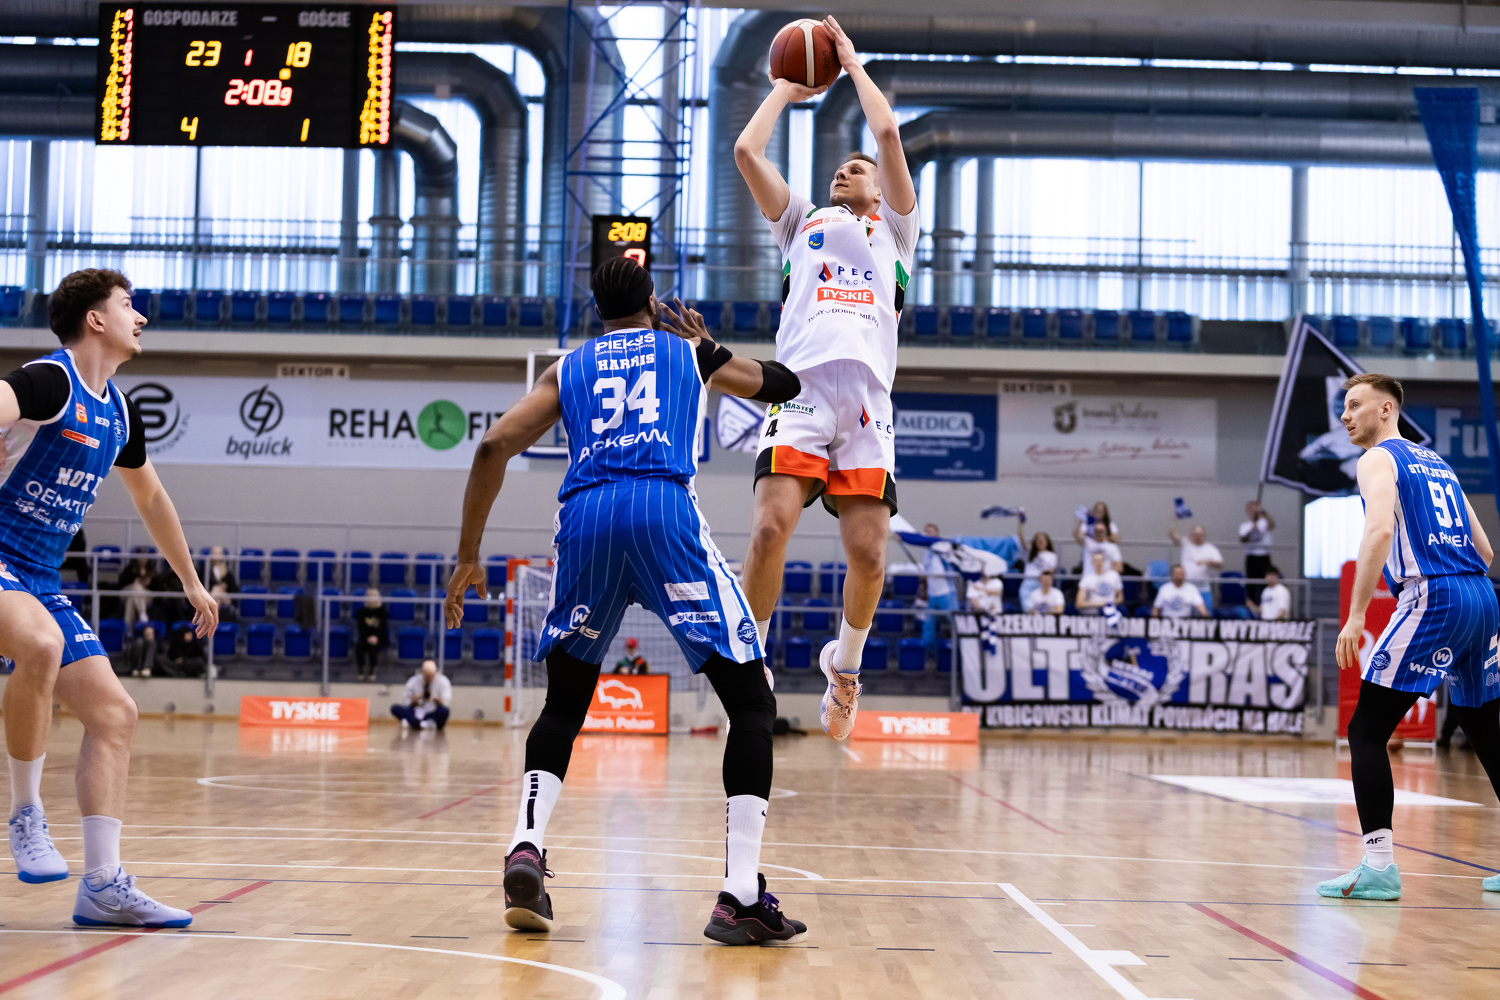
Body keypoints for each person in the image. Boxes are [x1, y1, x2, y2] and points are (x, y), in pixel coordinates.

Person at [443, 257, 806, 944]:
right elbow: (781, 385)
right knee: (752, 703)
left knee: (563, 704)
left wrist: (467, 556)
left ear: (596, 310)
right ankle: (740, 896)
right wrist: (708, 342)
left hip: (586, 523)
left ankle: (526, 845)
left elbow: (491, 447)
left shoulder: (568, 368)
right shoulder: (687, 351)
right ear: (653, 301)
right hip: (661, 511)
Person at [1, 268, 216, 927]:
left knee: (116, 714)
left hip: (39, 577)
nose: (140, 316)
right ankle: (26, 814)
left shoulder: (119, 411)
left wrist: (190, 580)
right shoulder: (49, 381)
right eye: (128, 305)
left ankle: (102, 885)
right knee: (41, 645)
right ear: (95, 319)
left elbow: (151, 498)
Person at [733, 16, 919, 742]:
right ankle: (751, 665)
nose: (846, 170)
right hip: (799, 391)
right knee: (768, 528)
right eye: (840, 166)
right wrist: (786, 87)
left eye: (857, 168)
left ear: (879, 190)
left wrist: (849, 61)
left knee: (869, 554)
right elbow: (747, 151)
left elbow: (889, 134)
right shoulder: (800, 222)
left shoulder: (897, 232)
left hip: (868, 402)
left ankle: (845, 668)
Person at [1320, 372, 1500, 900]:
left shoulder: (1378, 458)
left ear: (1386, 410)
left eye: (1355, 405)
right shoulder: (1439, 463)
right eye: (1343, 407)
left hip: (1436, 596)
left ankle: (1378, 867)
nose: (1345, 415)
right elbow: (1486, 550)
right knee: (1485, 731)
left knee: (1366, 731)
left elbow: (1378, 530)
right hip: (1482, 595)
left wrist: (1357, 615)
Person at [919, 522, 957, 652]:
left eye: (931, 532)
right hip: (932, 593)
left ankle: (960, 648)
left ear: (936, 533)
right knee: (928, 625)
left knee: (955, 622)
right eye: (927, 532)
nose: (929, 535)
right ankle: (927, 654)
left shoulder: (944, 548)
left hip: (946, 592)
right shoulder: (926, 552)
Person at [392, 659, 451, 731]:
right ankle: (417, 722)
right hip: (416, 711)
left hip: (433, 712)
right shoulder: (413, 681)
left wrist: (434, 699)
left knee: (444, 711)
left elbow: (445, 702)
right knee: (395, 708)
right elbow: (406, 701)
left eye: (431, 675)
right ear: (422, 672)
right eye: (427, 675)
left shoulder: (443, 681)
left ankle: (420, 723)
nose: (429, 678)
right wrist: (417, 698)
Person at [1168, 523, 1222, 599]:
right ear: (1192, 535)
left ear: (1204, 535)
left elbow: (1220, 564)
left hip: (1203, 588)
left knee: (1205, 607)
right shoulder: (1186, 544)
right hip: (1186, 588)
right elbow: (1172, 534)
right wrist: (1175, 520)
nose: (1197, 536)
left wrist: (1207, 561)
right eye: (1195, 534)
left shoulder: (1210, 548)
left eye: (1200, 534)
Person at [1239, 501, 1276, 602]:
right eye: (1250, 509)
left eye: (1255, 508)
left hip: (1264, 556)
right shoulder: (1245, 526)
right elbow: (1242, 539)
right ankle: (1252, 605)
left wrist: (1264, 514)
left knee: (1266, 582)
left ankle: (1265, 604)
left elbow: (1272, 525)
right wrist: (1252, 529)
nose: (1253, 511)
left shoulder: (1264, 522)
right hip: (1252, 557)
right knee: (1251, 583)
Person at [1018, 529, 1057, 608]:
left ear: (1047, 542)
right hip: (1028, 582)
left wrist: (1043, 578)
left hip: (1041, 584)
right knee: (1028, 608)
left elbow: (1051, 570)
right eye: (1038, 541)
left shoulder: (1051, 555)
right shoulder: (1030, 553)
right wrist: (1021, 524)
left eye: (1042, 540)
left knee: (1039, 608)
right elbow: (1021, 538)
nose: (1040, 542)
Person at [355, 588, 388, 682]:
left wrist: (376, 637)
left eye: (373, 596)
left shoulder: (382, 612)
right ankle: (361, 669)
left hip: (379, 638)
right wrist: (368, 637)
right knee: (359, 645)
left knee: (373, 646)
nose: (371, 598)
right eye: (369, 596)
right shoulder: (361, 612)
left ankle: (372, 670)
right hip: (365, 638)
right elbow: (361, 628)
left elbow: (383, 628)